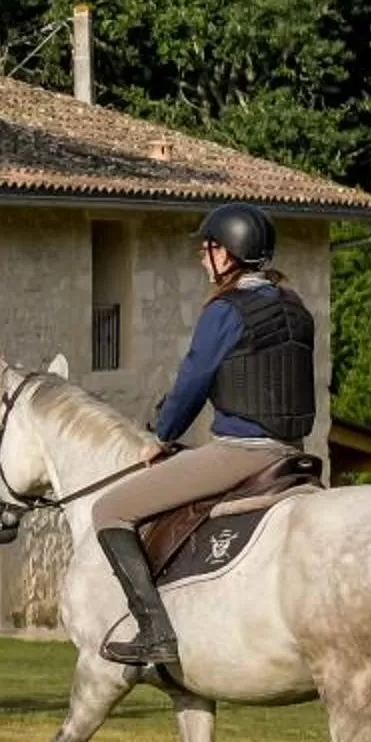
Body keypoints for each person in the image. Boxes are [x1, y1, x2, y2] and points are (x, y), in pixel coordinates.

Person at [80, 203, 317, 669]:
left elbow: (194, 378)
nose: (200, 259)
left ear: (226, 255)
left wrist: (161, 436)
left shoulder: (227, 311)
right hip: (293, 452)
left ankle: (154, 632)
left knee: (109, 508)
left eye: (205, 249)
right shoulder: (294, 306)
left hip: (242, 453)